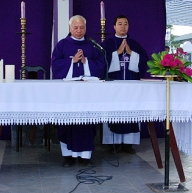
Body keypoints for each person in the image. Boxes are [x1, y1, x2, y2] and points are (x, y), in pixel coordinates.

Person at [51, 15, 106, 167]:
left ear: (85, 28)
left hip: (87, 95)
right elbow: (55, 65)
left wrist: (86, 62)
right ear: (70, 28)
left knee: (85, 125)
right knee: (68, 123)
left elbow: (101, 65)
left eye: (82, 27)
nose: (79, 30)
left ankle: (85, 157)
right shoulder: (62, 45)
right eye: (75, 27)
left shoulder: (93, 46)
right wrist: (72, 61)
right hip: (67, 94)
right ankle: (67, 157)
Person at [101, 15, 149, 154]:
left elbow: (144, 61)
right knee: (113, 111)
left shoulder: (134, 44)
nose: (123, 26)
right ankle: (112, 143)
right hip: (113, 87)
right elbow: (101, 61)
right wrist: (117, 53)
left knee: (130, 112)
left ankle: (129, 144)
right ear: (114, 27)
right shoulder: (108, 44)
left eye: (125, 24)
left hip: (131, 86)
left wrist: (130, 53)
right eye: (120, 23)